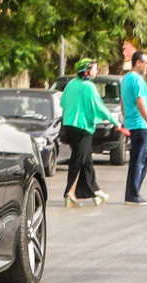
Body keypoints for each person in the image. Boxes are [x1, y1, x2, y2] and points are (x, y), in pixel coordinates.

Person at [60, 59, 125, 207]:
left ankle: (96, 192)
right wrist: (115, 122)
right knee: (78, 160)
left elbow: (62, 102)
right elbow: (99, 106)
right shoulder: (89, 86)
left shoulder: (71, 84)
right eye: (95, 69)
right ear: (87, 71)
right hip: (82, 128)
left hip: (69, 127)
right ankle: (70, 193)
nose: (96, 72)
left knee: (86, 159)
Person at [121, 50, 147, 206]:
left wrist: (125, 118)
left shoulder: (126, 79)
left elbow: (123, 103)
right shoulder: (136, 80)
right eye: (146, 62)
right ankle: (132, 194)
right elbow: (141, 103)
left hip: (135, 123)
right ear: (138, 63)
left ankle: (134, 190)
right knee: (138, 160)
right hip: (140, 124)